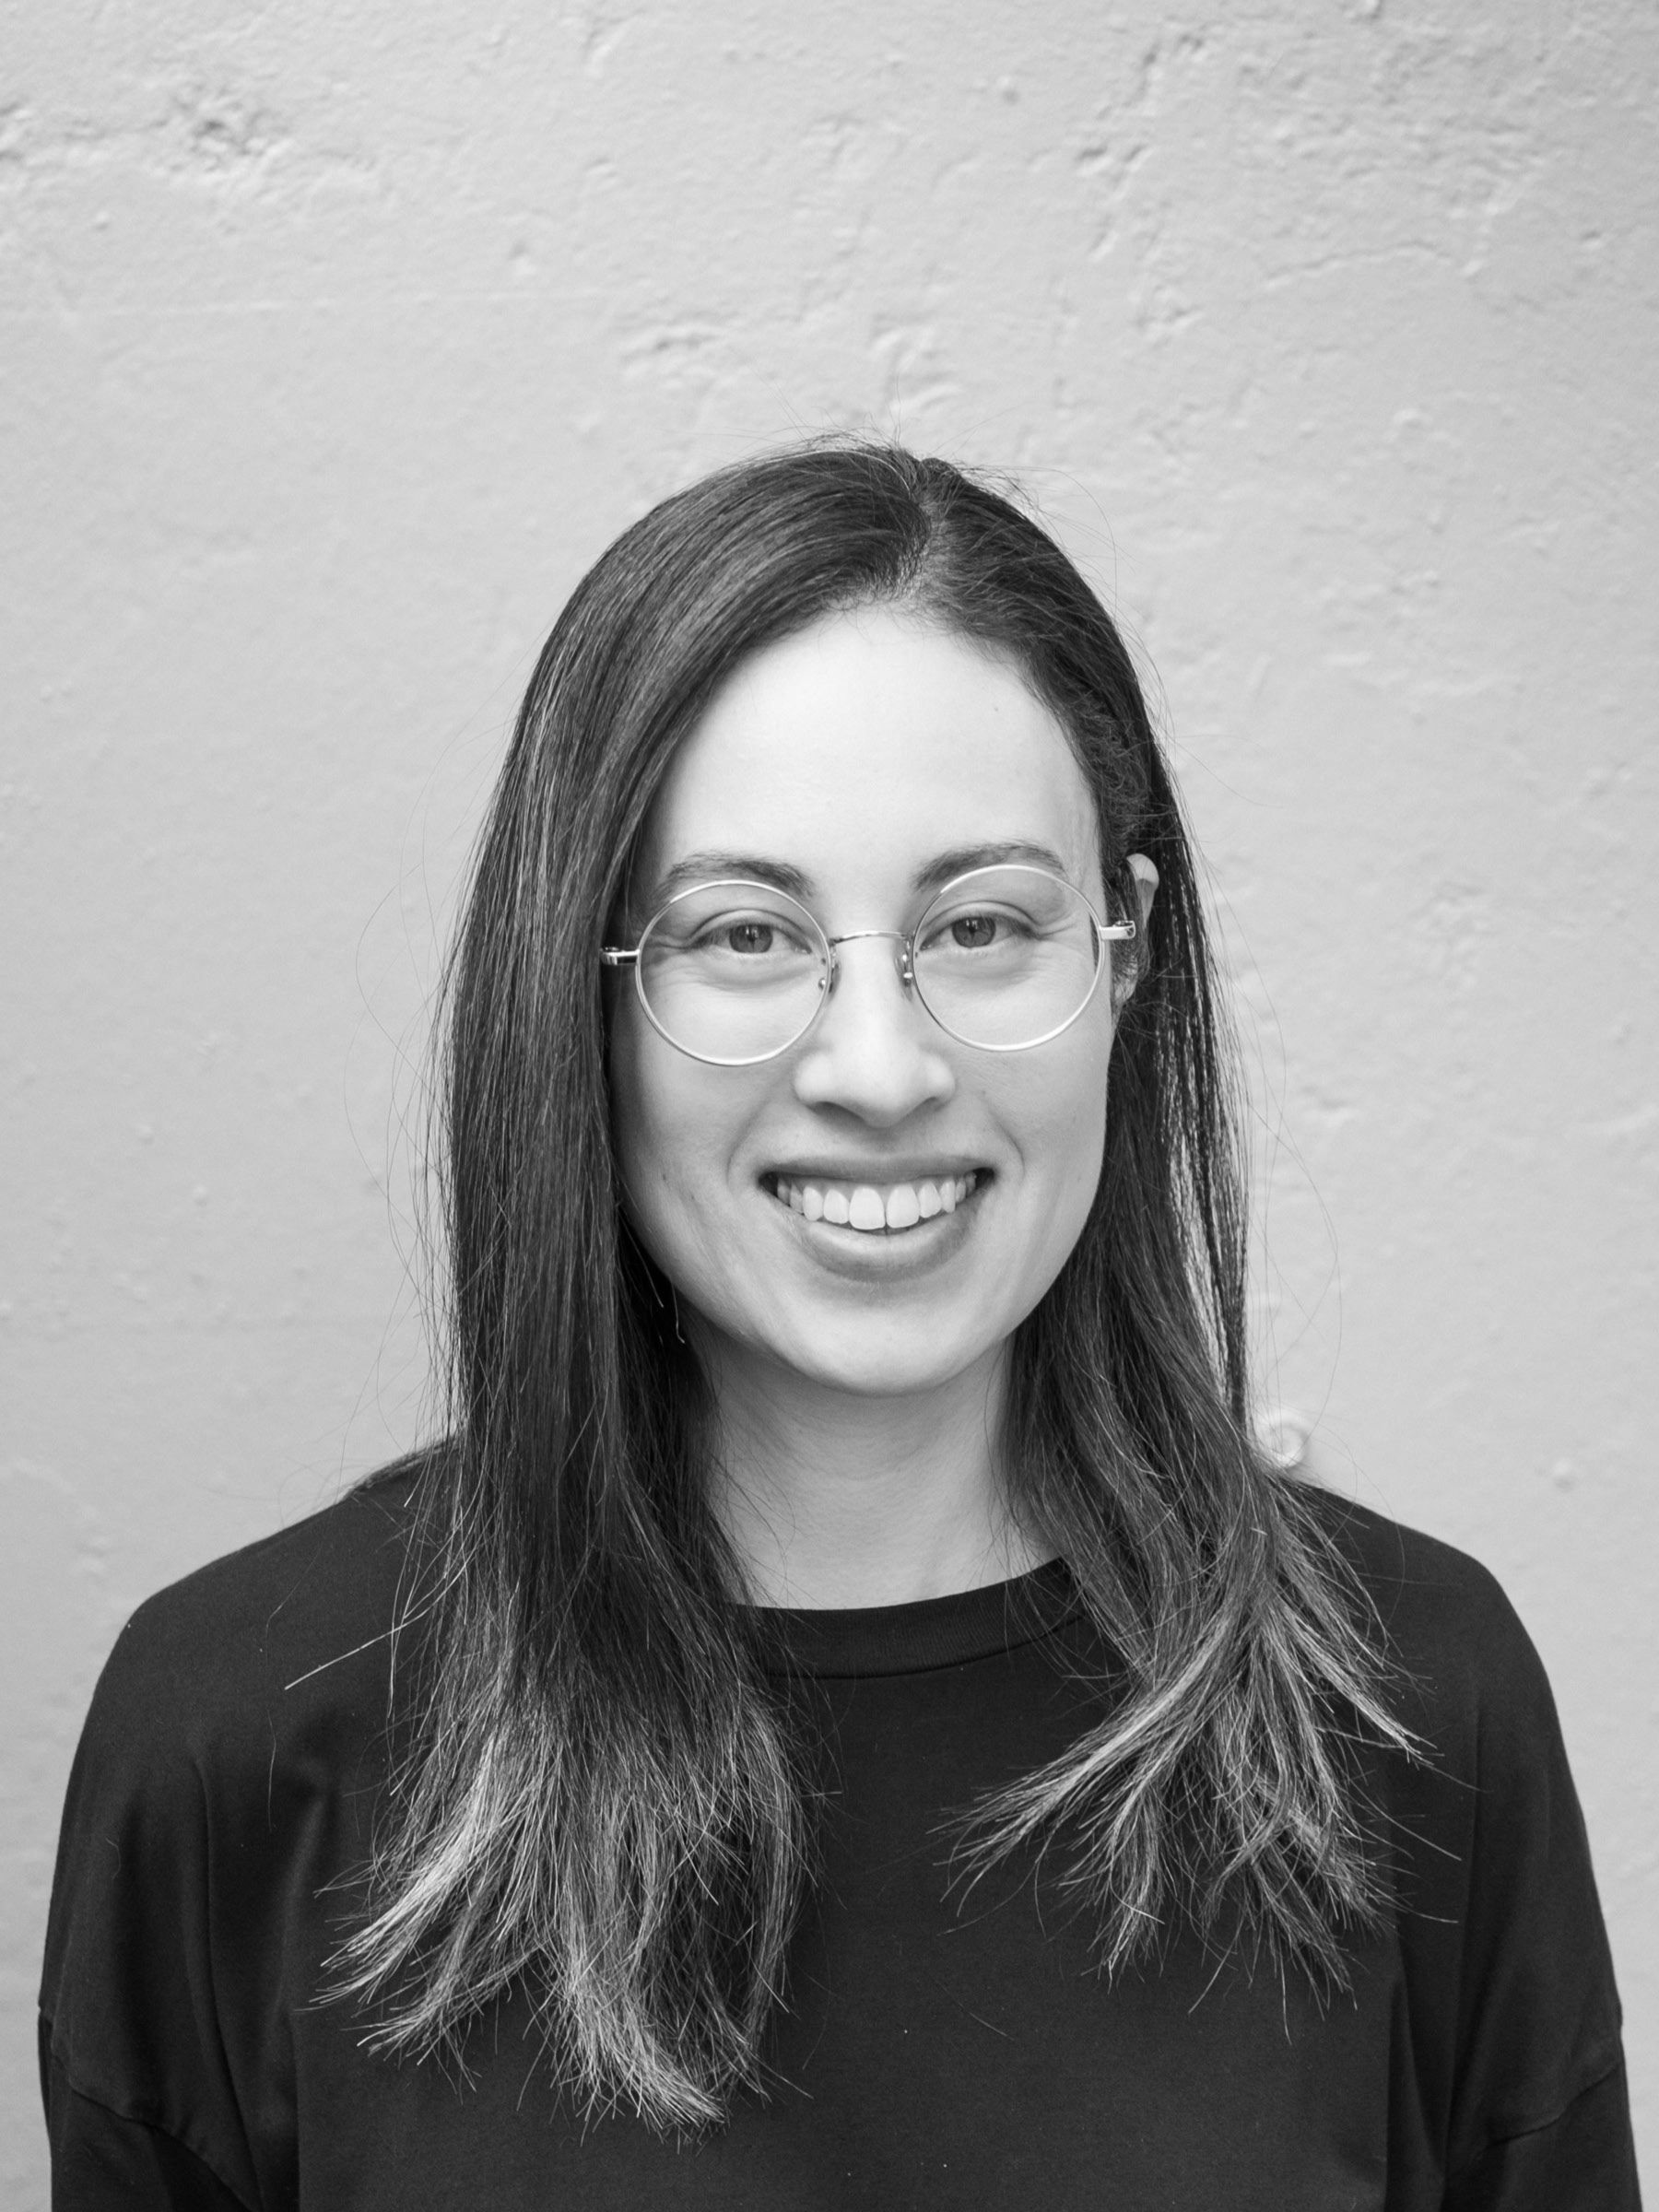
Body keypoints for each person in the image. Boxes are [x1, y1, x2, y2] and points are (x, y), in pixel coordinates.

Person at [40, 442, 1639, 2209]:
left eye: (984, 924)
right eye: (743, 933)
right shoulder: (241, 1743)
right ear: (581, 992)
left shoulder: (1415, 1713)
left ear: (1123, 954)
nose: (880, 1068)